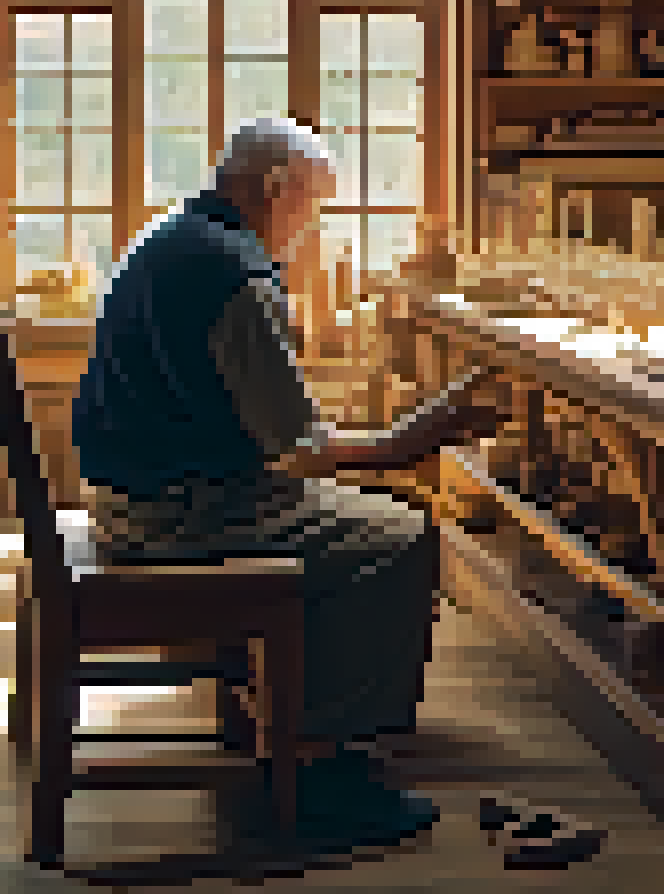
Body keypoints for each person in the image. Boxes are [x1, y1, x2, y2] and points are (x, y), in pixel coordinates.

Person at [70, 117, 520, 850]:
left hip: (128, 496)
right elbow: (298, 450)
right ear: (277, 188)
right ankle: (322, 763)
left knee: (364, 513)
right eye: (311, 206)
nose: (308, 230)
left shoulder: (171, 238)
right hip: (177, 514)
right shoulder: (234, 274)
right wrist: (411, 440)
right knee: (400, 536)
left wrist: (390, 442)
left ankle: (291, 714)